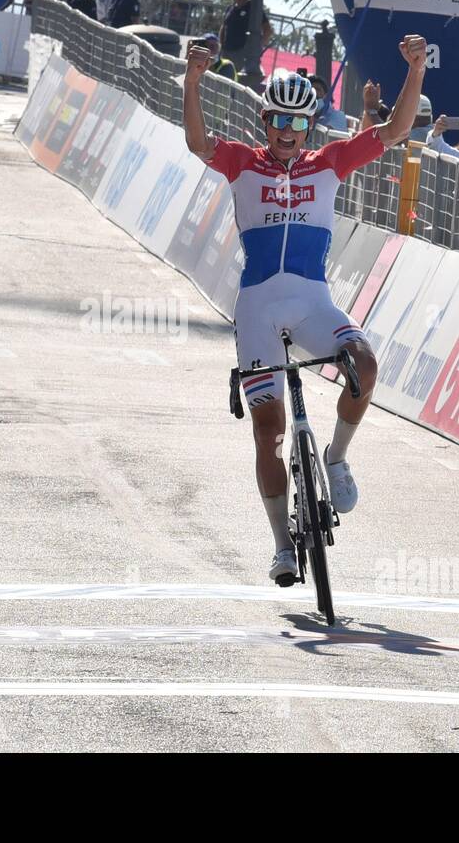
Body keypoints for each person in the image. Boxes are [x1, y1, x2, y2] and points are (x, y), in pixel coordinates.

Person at [182, 33, 429, 584]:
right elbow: (199, 143)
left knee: (364, 365)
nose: (289, 134)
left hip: (313, 302)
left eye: (298, 125)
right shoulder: (242, 162)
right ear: (265, 122)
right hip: (258, 310)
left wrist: (416, 71)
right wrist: (192, 81)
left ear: (309, 128)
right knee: (268, 429)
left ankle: (336, 458)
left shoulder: (329, 163)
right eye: (279, 123)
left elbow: (394, 132)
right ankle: (281, 547)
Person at [217, 0, 272, 70]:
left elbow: (267, 29)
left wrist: (258, 47)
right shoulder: (230, 8)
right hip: (226, 52)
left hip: (242, 54)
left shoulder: (253, 8)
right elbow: (223, 27)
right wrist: (221, 46)